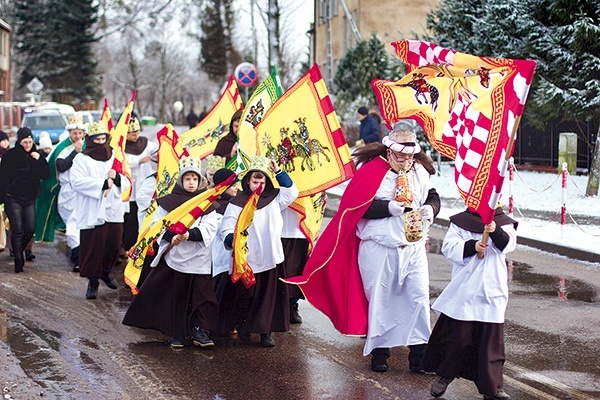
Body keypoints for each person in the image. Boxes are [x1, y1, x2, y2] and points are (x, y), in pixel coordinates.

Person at [285, 127, 440, 372]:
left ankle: (419, 355)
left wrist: (430, 209)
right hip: (379, 248)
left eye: (410, 155)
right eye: (401, 155)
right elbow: (356, 207)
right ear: (390, 151)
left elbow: (432, 195)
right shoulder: (371, 171)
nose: (406, 160)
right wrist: (389, 208)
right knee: (381, 300)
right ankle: (380, 353)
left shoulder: (419, 171)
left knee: (418, 299)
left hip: (413, 247)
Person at [123, 157, 220, 349]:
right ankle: (178, 333)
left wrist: (188, 235)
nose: (191, 182)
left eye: (194, 179)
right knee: (179, 296)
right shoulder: (167, 203)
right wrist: (171, 236)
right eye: (187, 179)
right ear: (181, 181)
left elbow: (210, 227)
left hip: (199, 258)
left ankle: (200, 330)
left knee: (202, 296)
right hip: (177, 257)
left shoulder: (207, 203)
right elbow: (156, 226)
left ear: (200, 181)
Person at [420, 207, 518, 400]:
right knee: (457, 339)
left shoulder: (504, 222)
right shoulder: (460, 222)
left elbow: (508, 245)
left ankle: (492, 388)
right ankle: (444, 376)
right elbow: (449, 247)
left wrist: (495, 230)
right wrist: (472, 246)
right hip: (465, 289)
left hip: (492, 290)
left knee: (490, 344)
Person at [219, 156, 299, 347]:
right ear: (248, 182)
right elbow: (226, 227)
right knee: (246, 296)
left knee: (268, 297)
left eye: (262, 180)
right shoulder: (237, 202)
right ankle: (245, 326)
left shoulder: (274, 199)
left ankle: (265, 332)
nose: (259, 185)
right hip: (247, 258)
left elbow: (292, 192)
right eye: (255, 181)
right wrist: (232, 240)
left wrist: (278, 171)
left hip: (271, 257)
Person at [70, 121, 130, 299]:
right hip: (93, 210)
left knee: (113, 243)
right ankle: (93, 280)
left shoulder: (115, 157)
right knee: (93, 246)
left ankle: (106, 271)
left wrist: (117, 178)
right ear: (90, 140)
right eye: (98, 139)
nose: (101, 143)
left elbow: (127, 180)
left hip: (113, 209)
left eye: (104, 139)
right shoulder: (82, 159)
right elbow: (77, 182)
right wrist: (102, 183)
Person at [0, 128, 50, 273]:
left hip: (29, 198)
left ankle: (18, 249)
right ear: (19, 142)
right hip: (12, 197)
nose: (27, 145)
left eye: (29, 142)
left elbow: (46, 174)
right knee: (17, 228)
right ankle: (18, 259)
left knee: (30, 227)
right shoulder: (10, 155)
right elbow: (3, 177)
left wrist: (39, 160)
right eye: (24, 142)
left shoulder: (36, 155)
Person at [55, 113, 87, 271]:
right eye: (75, 133)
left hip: (84, 191)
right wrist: (75, 151)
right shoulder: (63, 148)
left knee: (78, 225)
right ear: (69, 133)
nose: (78, 136)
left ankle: (79, 258)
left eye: (80, 133)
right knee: (72, 224)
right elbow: (61, 165)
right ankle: (77, 255)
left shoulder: (89, 146)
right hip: (69, 192)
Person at [209, 168, 239, 336]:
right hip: (217, 255)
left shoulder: (239, 203)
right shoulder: (213, 205)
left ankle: (228, 324)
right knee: (217, 290)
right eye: (233, 184)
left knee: (230, 291)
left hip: (233, 256)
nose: (237, 187)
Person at [122, 117, 158, 254]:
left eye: (137, 132)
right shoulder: (122, 146)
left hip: (145, 185)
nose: (136, 136)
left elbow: (157, 149)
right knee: (130, 219)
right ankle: (128, 246)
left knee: (143, 215)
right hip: (130, 188)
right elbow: (124, 162)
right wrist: (139, 161)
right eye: (133, 134)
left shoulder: (145, 143)